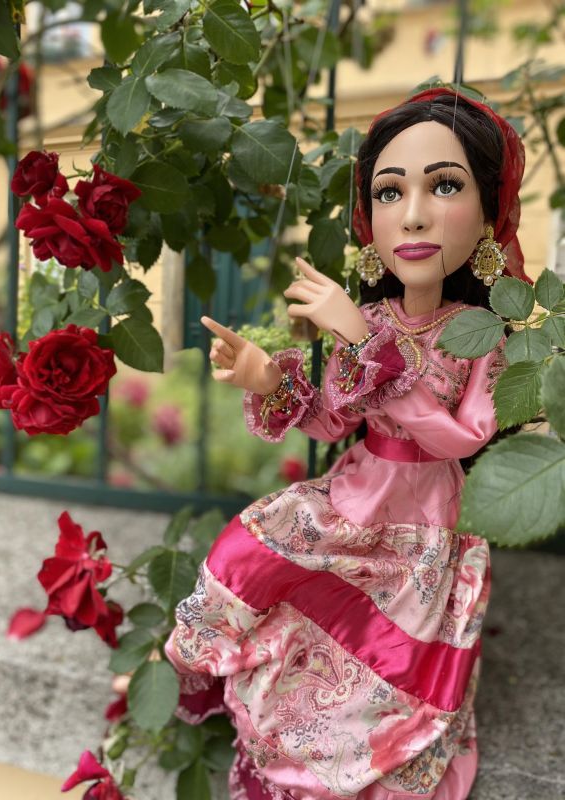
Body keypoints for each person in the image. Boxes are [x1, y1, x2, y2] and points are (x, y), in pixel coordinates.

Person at [164, 87, 529, 800]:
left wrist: (368, 346)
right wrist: (267, 376)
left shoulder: (480, 333)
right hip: (353, 499)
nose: (413, 214)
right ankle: (204, 669)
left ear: (488, 214)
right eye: (390, 192)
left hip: (425, 530)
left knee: (392, 678)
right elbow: (333, 420)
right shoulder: (371, 316)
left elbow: (463, 437)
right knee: (249, 553)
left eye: (444, 186)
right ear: (370, 218)